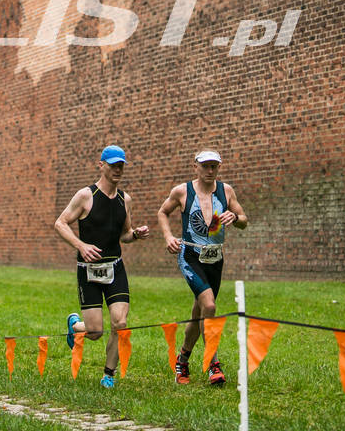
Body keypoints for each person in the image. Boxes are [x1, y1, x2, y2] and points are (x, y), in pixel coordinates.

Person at [54, 144, 150, 388]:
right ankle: (75, 325)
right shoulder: (86, 196)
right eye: (113, 165)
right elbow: (61, 223)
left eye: (121, 166)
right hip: (88, 271)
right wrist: (81, 245)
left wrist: (135, 234)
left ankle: (109, 374)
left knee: (120, 323)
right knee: (95, 332)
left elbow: (125, 235)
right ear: (102, 165)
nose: (118, 170)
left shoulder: (124, 199)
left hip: (115, 268)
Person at [157, 149, 247, 386]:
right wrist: (168, 237)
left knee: (199, 314)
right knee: (209, 305)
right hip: (191, 257)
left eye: (213, 166)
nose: (209, 170)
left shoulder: (226, 191)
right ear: (195, 166)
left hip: (215, 260)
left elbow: (244, 220)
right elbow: (163, 212)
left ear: (219, 167)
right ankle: (213, 363)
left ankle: (183, 359)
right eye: (205, 166)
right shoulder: (182, 191)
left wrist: (235, 219)